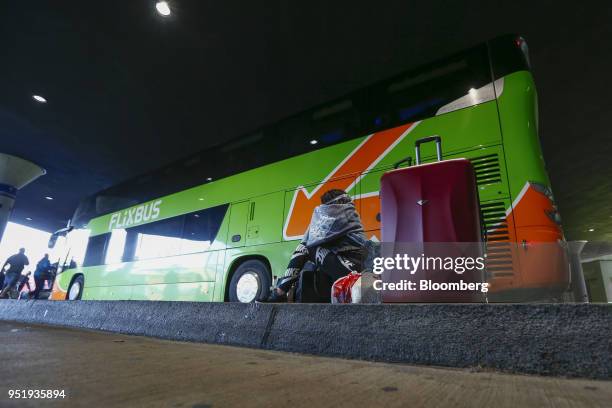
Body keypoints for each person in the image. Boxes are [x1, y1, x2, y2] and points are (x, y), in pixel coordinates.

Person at [267, 189, 366, 302]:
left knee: (307, 248)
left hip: (352, 272)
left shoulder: (338, 215)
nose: (322, 210)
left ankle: (280, 292)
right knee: (311, 253)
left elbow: (307, 244)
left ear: (330, 206)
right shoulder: (350, 214)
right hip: (355, 268)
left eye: (324, 207)